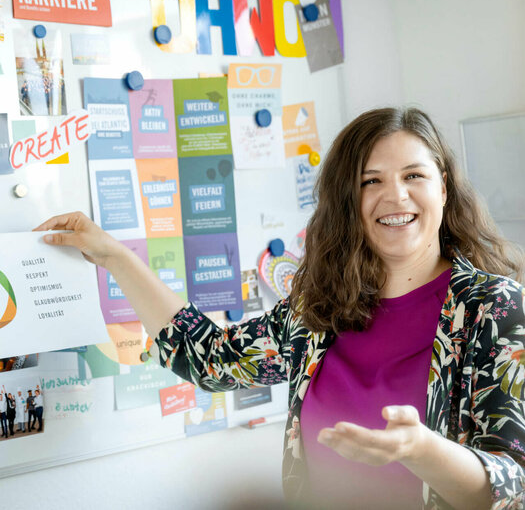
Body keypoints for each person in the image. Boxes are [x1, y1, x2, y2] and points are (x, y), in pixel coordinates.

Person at [34, 107, 525, 510]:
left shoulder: (494, 307)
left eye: (413, 175)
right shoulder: (321, 306)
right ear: (347, 201)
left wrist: (422, 451)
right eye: (370, 181)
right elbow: (211, 358)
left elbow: (511, 485)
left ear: (442, 186)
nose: (394, 195)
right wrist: (114, 256)